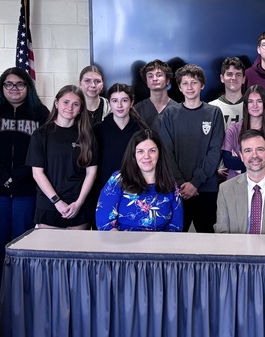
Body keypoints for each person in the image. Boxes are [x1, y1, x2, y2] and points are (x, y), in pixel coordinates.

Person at [0, 66, 48, 304]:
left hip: (27, 188)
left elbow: (44, 150)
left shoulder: (40, 113)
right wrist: (0, 175)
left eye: (20, 84)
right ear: (1, 87)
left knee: (22, 237)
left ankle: (20, 288)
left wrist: (20, 175)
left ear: (28, 87)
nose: (14, 89)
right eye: (9, 84)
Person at [157, 64, 225, 232]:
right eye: (185, 83)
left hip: (206, 187)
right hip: (176, 188)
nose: (189, 87)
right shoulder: (169, 114)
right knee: (176, 240)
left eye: (194, 82)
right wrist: (181, 183)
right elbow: (166, 152)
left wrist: (195, 183)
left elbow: (215, 152)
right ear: (179, 87)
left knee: (207, 238)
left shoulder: (214, 113)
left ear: (202, 85)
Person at [27, 85, 98, 229]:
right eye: (66, 102)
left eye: (75, 104)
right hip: (49, 203)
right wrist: (57, 201)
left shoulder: (87, 136)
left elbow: (91, 172)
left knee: (76, 251)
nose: (70, 107)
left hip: (78, 204)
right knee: (48, 251)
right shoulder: (41, 135)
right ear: (56, 103)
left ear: (80, 109)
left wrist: (78, 203)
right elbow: (37, 173)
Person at [95, 130, 183, 232]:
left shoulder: (170, 183)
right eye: (140, 151)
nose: (146, 156)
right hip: (122, 244)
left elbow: (176, 226)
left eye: (152, 150)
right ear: (133, 154)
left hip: (160, 245)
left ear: (159, 153)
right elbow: (104, 222)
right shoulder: (118, 179)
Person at [91, 83, 148, 226]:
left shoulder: (142, 131)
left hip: (135, 193)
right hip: (104, 192)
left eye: (124, 100)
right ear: (109, 102)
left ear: (132, 102)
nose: (120, 105)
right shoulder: (98, 130)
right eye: (115, 100)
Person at [222, 85, 265, 178]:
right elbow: (228, 161)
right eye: (250, 101)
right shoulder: (233, 130)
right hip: (235, 184)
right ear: (246, 105)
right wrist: (263, 161)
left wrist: (241, 162)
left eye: (259, 101)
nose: (254, 105)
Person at [133, 59, 178, 130]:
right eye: (150, 76)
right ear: (146, 82)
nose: (154, 79)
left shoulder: (178, 111)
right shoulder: (137, 110)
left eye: (159, 75)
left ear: (167, 80)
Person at [210, 57, 247, 126]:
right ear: (222, 78)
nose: (234, 78)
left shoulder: (252, 107)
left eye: (238, 74)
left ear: (243, 79)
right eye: (229, 74)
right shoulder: (212, 107)